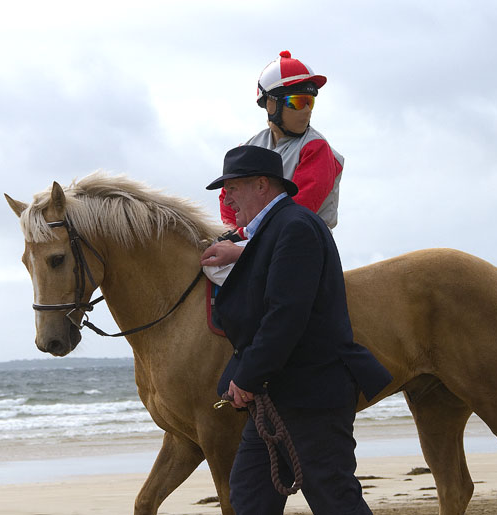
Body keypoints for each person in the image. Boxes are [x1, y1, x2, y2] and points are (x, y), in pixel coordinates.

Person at [203, 145, 392, 515]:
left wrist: (248, 377)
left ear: (262, 185)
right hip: (276, 399)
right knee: (248, 496)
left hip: (310, 397)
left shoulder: (296, 227)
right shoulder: (277, 230)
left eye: (233, 187)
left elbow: (285, 316)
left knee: (336, 501)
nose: (227, 197)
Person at [203, 50, 343, 279]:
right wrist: (233, 235)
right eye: (297, 102)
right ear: (269, 104)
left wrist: (241, 248)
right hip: (254, 241)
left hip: (300, 246)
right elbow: (228, 198)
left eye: (310, 102)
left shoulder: (317, 148)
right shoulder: (246, 147)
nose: (307, 111)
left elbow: (299, 210)